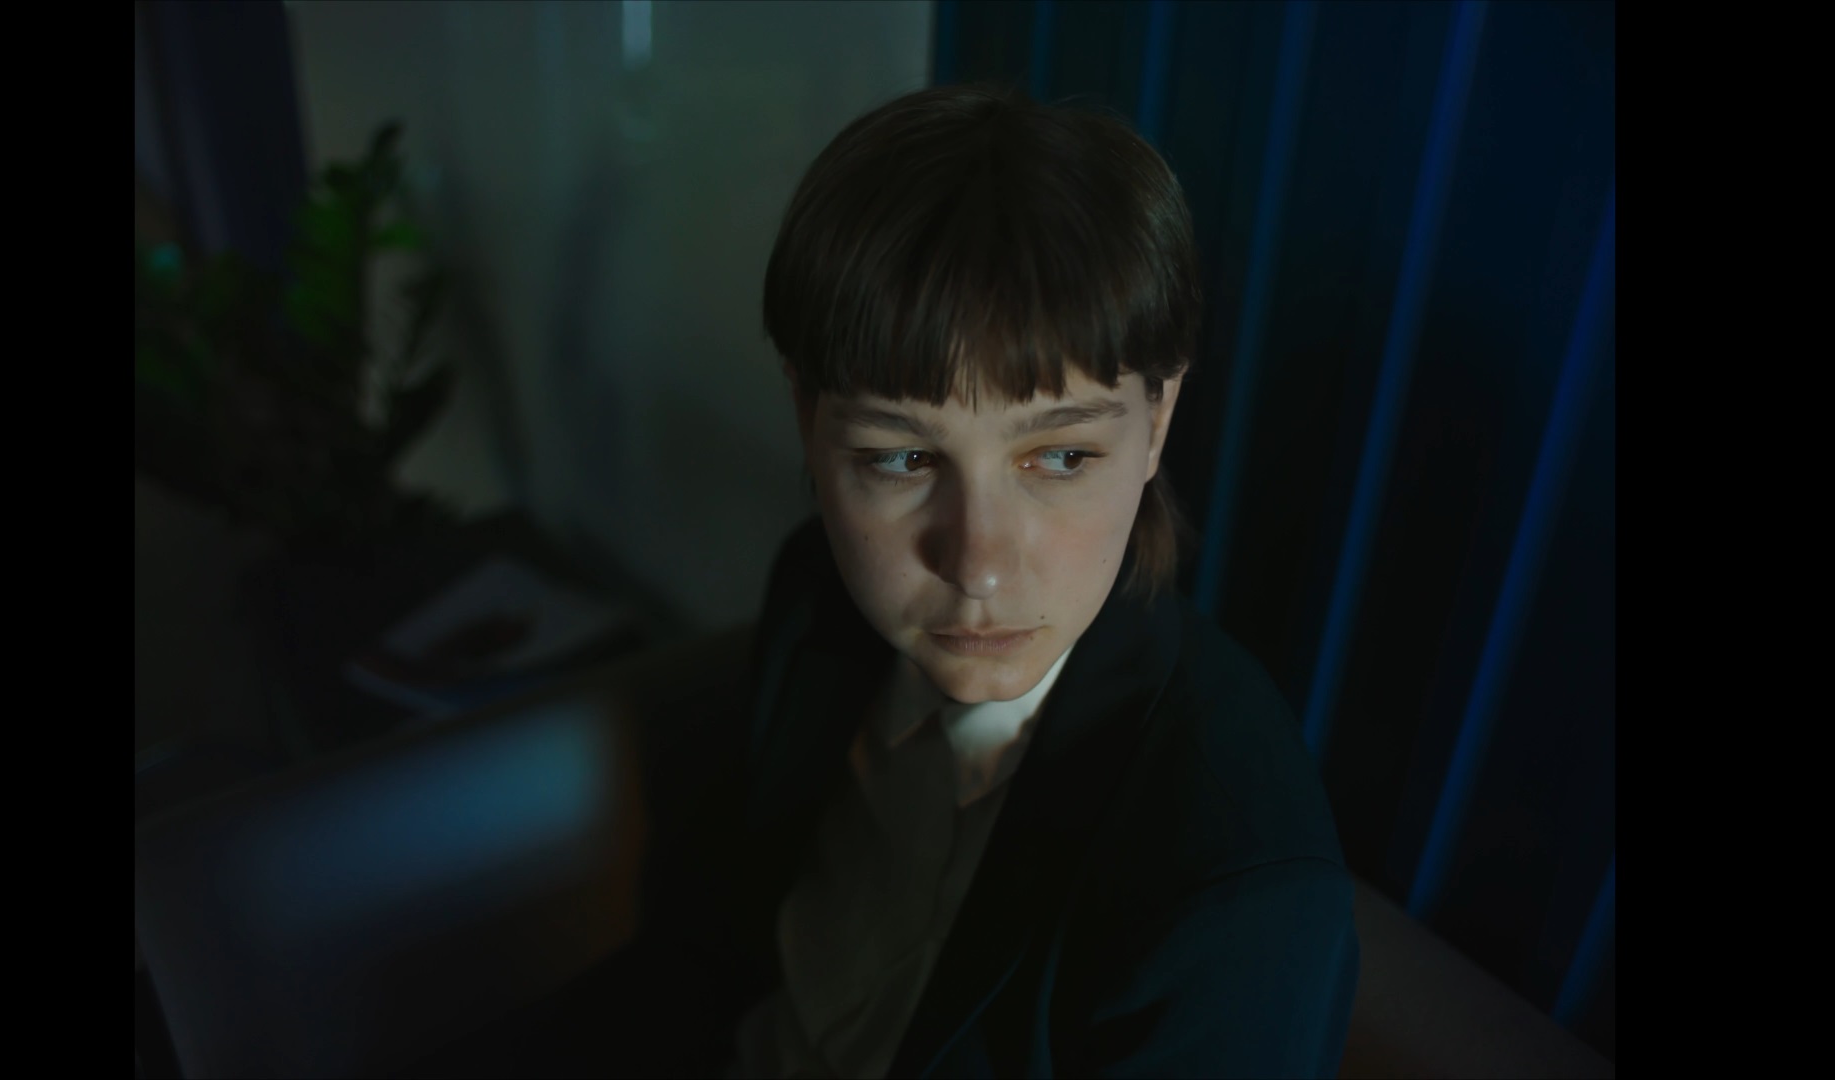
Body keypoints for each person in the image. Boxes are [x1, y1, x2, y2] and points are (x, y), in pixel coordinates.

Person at [407, 81, 1357, 1080]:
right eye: (902, 459)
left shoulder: (1235, 902)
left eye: (1060, 457)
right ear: (807, 421)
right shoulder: (817, 593)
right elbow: (710, 951)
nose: (978, 565)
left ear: (1156, 423)